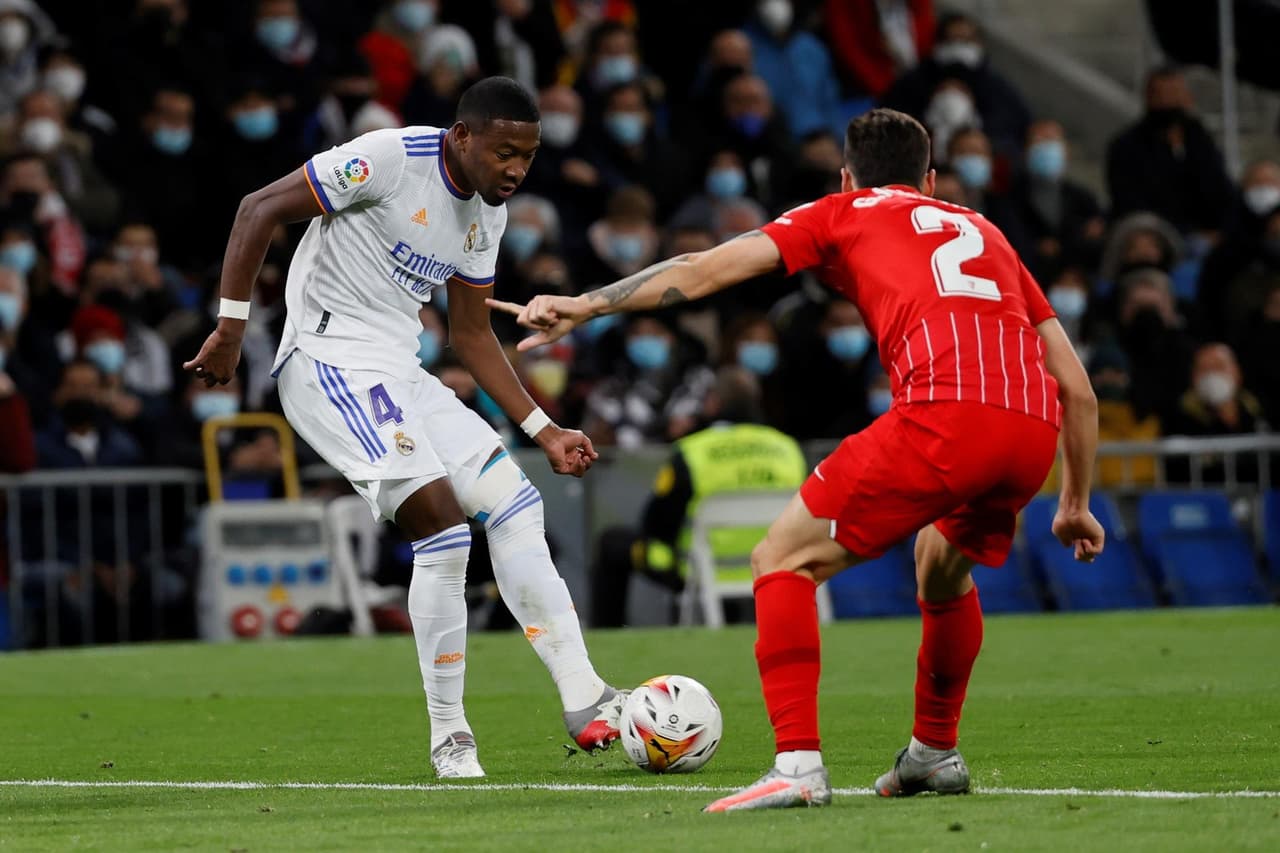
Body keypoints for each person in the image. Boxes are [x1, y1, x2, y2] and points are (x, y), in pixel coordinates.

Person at [491, 108, 1104, 811]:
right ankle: (933, 753)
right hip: (1030, 429)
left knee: (780, 560)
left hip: (947, 413)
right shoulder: (988, 233)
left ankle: (798, 765)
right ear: (932, 181)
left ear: (846, 178)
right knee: (941, 565)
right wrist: (1074, 503)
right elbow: (1079, 390)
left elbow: (701, 270)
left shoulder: (843, 211)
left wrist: (587, 305)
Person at [183, 77, 625, 779]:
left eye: (529, 156)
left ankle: (584, 696)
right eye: (505, 152)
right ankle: (451, 738)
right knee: (444, 530)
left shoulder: (487, 214)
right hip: (328, 361)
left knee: (516, 504)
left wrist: (544, 429)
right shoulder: (391, 158)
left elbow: (472, 334)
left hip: (399, 369)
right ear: (463, 136)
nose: (516, 168)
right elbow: (258, 208)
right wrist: (231, 328)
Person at [590, 367, 807, 627]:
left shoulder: (693, 451)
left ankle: (606, 635)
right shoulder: (789, 450)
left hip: (699, 568)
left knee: (613, 543)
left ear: (714, 402)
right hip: (773, 565)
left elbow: (657, 522)